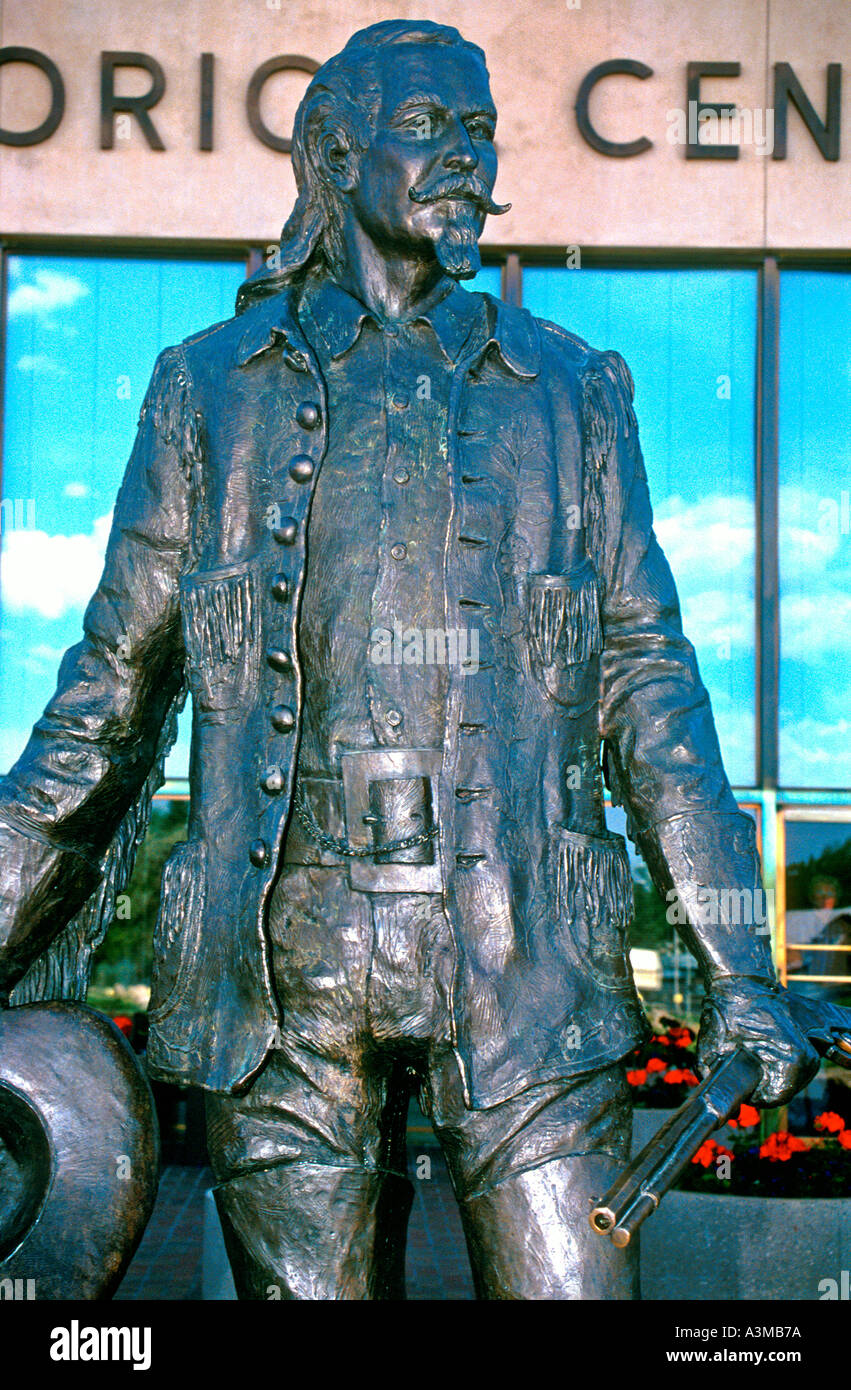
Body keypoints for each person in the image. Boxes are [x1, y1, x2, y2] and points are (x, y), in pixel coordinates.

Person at [0, 19, 819, 1299]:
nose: (468, 157)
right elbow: (106, 702)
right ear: (332, 151)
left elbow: (652, 690)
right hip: (282, 979)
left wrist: (739, 969)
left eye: (482, 132)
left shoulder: (570, 391)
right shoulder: (208, 389)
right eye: (430, 126)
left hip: (529, 962)